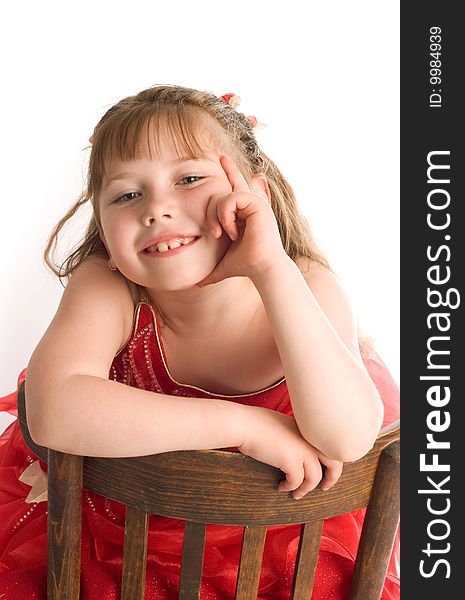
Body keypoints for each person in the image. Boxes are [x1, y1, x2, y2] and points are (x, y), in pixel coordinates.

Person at [0, 85, 400, 599]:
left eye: (189, 179)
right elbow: (54, 409)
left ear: (254, 197)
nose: (157, 209)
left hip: (282, 547)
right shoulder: (110, 285)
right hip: (113, 535)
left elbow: (346, 439)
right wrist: (244, 425)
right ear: (104, 234)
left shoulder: (303, 284)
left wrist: (270, 266)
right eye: (126, 195)